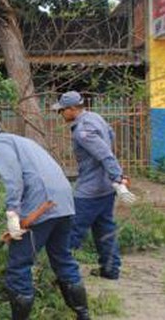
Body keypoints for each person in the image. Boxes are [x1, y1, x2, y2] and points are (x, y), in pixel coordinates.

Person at [0, 119, 90, 320]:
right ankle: (83, 314)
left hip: (41, 207)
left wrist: (12, 212)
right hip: (63, 203)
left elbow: (13, 179)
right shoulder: (22, 141)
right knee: (63, 258)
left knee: (19, 264)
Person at [52, 91, 137, 281]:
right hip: (106, 189)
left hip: (90, 191)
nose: (60, 115)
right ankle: (111, 270)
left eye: (62, 111)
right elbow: (111, 136)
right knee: (105, 229)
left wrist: (119, 178)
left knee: (71, 231)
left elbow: (105, 154)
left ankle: (62, 274)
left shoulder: (83, 131)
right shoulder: (95, 117)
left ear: (73, 109)